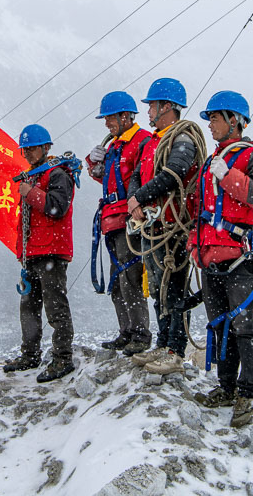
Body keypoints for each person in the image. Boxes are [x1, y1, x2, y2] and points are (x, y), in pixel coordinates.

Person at [189, 91, 253, 428]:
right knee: (220, 324)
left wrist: (227, 176)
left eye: (214, 118)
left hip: (240, 257)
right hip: (211, 257)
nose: (210, 124)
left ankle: (249, 392)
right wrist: (194, 245)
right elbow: (201, 209)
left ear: (234, 121)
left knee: (244, 328)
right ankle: (227, 388)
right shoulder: (213, 161)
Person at [126, 78, 204, 375]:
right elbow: (137, 174)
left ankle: (175, 350)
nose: (148, 111)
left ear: (167, 107)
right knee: (158, 288)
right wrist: (135, 200)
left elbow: (174, 173)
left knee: (174, 288)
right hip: (153, 225)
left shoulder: (183, 138)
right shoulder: (152, 143)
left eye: (152, 106)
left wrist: (139, 198)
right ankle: (163, 342)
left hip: (174, 226)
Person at [3, 123, 77, 383]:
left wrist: (31, 193)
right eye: (25, 150)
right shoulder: (34, 176)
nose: (27, 154)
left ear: (46, 147)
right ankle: (30, 354)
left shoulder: (58, 174)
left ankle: (63, 357)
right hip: (34, 252)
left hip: (51, 252)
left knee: (55, 305)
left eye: (31, 149)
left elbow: (58, 207)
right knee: (29, 305)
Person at [86, 91, 154, 356]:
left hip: (129, 219)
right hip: (112, 219)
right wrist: (93, 165)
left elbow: (142, 179)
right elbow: (109, 179)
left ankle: (140, 334)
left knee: (130, 276)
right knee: (118, 278)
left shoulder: (142, 142)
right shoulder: (116, 145)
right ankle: (126, 331)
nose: (107, 123)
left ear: (125, 116)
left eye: (110, 118)